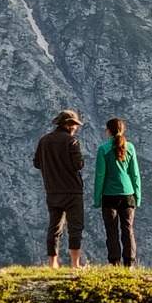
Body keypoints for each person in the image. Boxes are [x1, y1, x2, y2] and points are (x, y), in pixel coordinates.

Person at [33, 109, 85, 268]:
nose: (76, 128)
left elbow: (36, 163)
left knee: (54, 227)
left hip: (52, 191)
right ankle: (75, 264)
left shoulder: (44, 141)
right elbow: (79, 164)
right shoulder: (71, 141)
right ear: (69, 125)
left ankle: (53, 262)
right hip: (72, 191)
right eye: (75, 125)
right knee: (75, 227)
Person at [93, 117, 141, 267]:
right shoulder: (130, 148)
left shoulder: (103, 149)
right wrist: (137, 197)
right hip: (128, 195)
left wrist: (97, 198)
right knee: (128, 230)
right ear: (122, 130)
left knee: (111, 231)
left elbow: (100, 175)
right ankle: (130, 263)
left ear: (108, 131)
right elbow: (135, 174)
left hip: (109, 196)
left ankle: (114, 262)